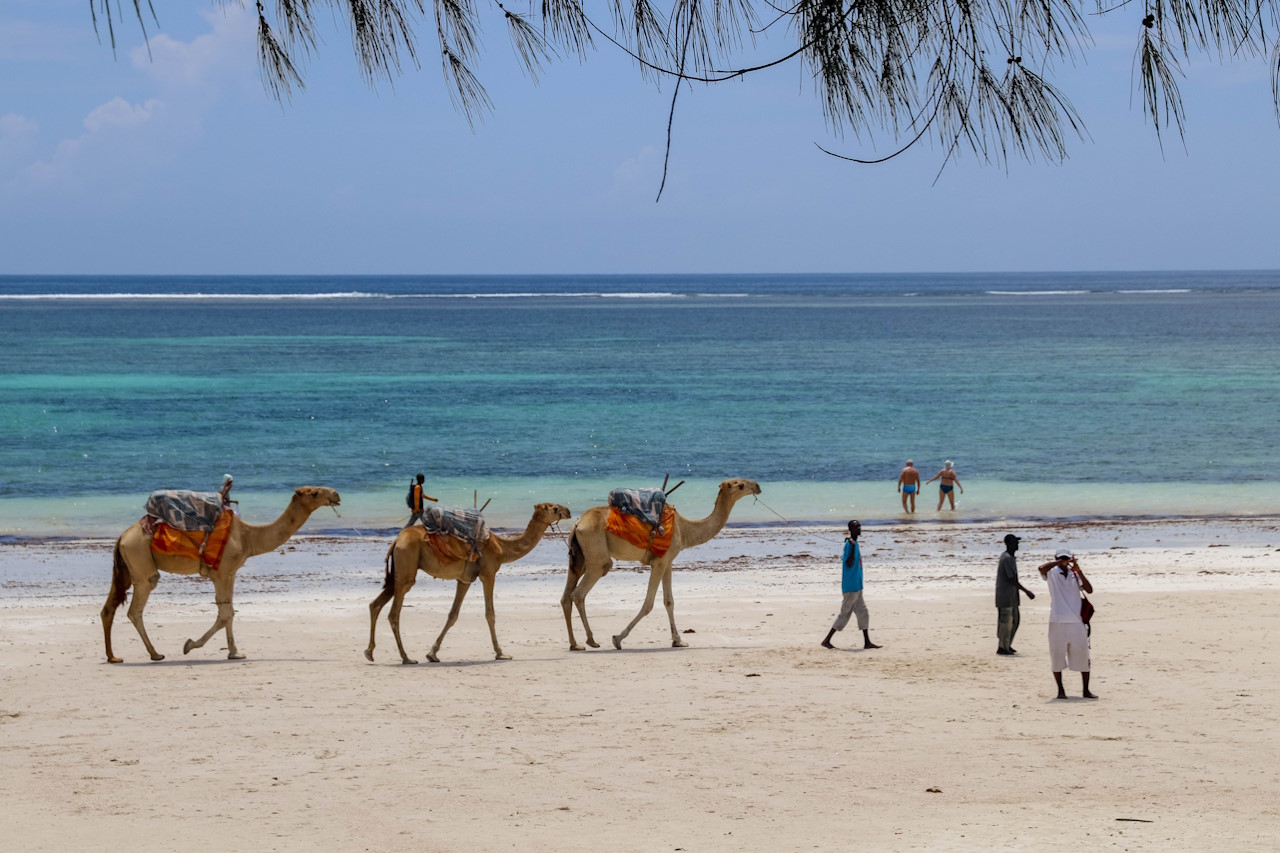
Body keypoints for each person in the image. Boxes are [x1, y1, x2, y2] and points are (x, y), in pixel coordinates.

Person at [1038, 549, 1097, 700]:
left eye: (1067, 559)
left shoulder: (1074, 575)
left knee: (1084, 657)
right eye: (1062, 559)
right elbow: (1041, 569)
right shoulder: (1052, 573)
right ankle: (1061, 691)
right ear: (1056, 559)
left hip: (1076, 622)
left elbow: (1089, 590)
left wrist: (1079, 570)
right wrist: (1059, 562)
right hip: (1057, 621)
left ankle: (1086, 690)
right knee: (1057, 657)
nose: (1065, 562)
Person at [821, 520, 882, 651]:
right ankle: (827, 640)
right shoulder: (850, 544)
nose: (859, 528)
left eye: (860, 526)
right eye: (856, 527)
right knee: (844, 614)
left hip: (857, 586)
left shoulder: (854, 543)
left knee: (863, 612)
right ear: (850, 529)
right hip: (851, 586)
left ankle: (867, 642)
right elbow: (847, 562)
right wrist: (852, 546)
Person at [995, 533, 1035, 655]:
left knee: (1015, 621)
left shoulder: (1011, 557)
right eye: (1015, 542)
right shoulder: (1006, 558)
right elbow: (1012, 579)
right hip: (1005, 596)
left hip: (1012, 596)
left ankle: (1008, 644)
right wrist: (1027, 591)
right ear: (1008, 544)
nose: (1017, 544)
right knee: (1005, 622)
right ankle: (1002, 647)